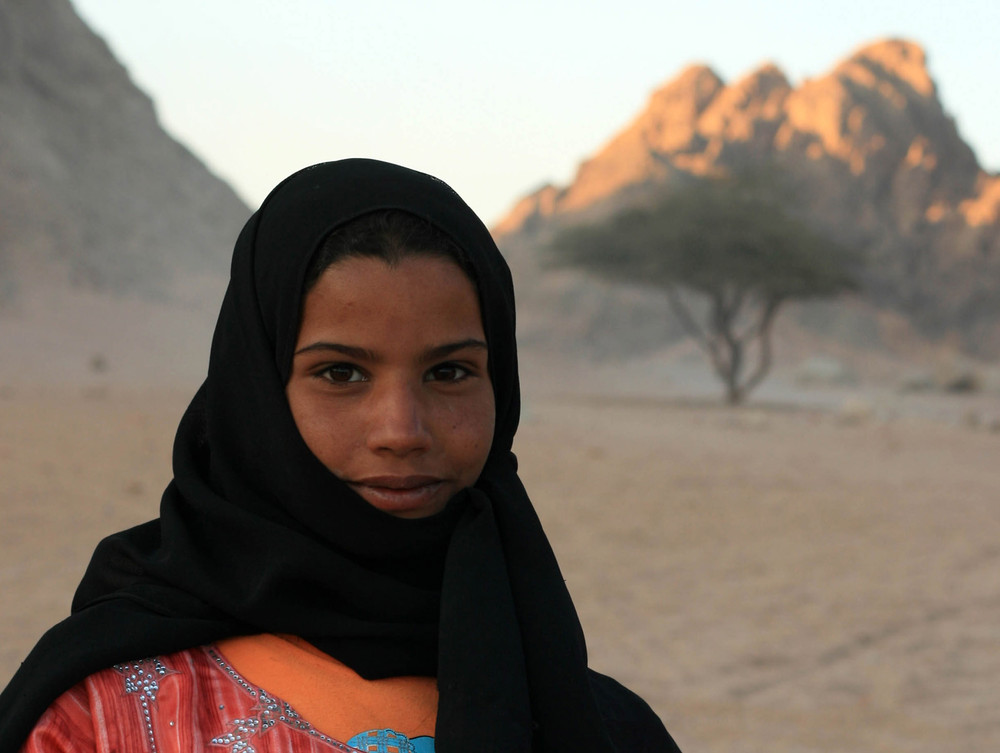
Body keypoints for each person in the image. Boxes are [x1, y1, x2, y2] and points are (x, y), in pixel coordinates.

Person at [0, 159, 681, 752]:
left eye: (449, 373)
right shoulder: (97, 718)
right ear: (258, 392)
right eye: (341, 374)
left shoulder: (600, 722)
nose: (401, 429)